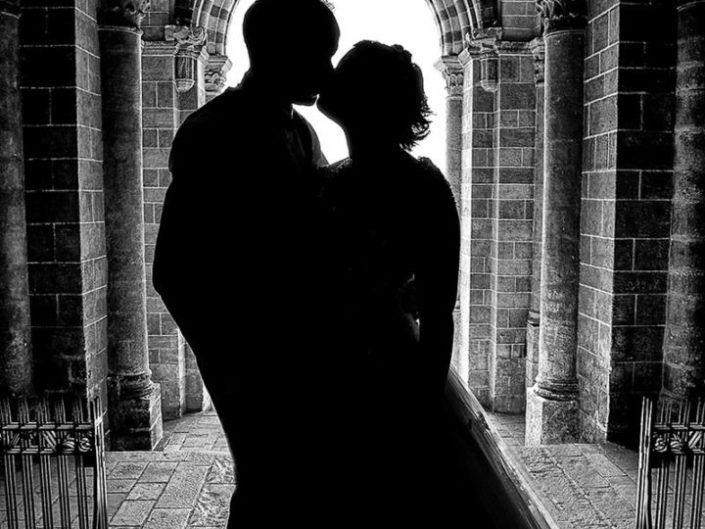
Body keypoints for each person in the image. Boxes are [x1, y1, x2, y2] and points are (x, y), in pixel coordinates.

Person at [152, 1, 340, 526]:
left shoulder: (302, 132)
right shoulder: (210, 133)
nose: (328, 71)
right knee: (265, 486)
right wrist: (233, 362)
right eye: (319, 55)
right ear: (280, 52)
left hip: (303, 353)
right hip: (250, 360)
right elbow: (173, 269)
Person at [317, 41, 468, 525]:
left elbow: (439, 310)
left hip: (391, 379)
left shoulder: (424, 189)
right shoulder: (331, 179)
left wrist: (421, 411)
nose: (329, 76)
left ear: (366, 99)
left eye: (344, 71)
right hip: (325, 373)